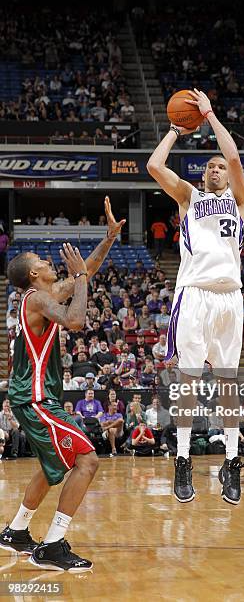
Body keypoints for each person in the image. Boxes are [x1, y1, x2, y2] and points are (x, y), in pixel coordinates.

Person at [0, 197, 125, 571]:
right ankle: (53, 546)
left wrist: (108, 239)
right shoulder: (37, 299)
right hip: (36, 397)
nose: (47, 262)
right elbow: (75, 321)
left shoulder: (38, 297)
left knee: (51, 465)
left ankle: (17, 530)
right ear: (33, 276)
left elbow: (85, 271)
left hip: (32, 395)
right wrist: (83, 278)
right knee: (87, 460)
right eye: (41, 261)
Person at [147, 88, 244, 505]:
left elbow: (237, 158)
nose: (215, 169)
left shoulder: (239, 200)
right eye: (209, 166)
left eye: (219, 166)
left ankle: (231, 460)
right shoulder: (189, 197)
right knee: (189, 379)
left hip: (230, 298)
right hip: (193, 296)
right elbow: (154, 165)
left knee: (228, 381)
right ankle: (184, 458)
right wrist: (174, 131)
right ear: (202, 174)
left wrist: (209, 115)